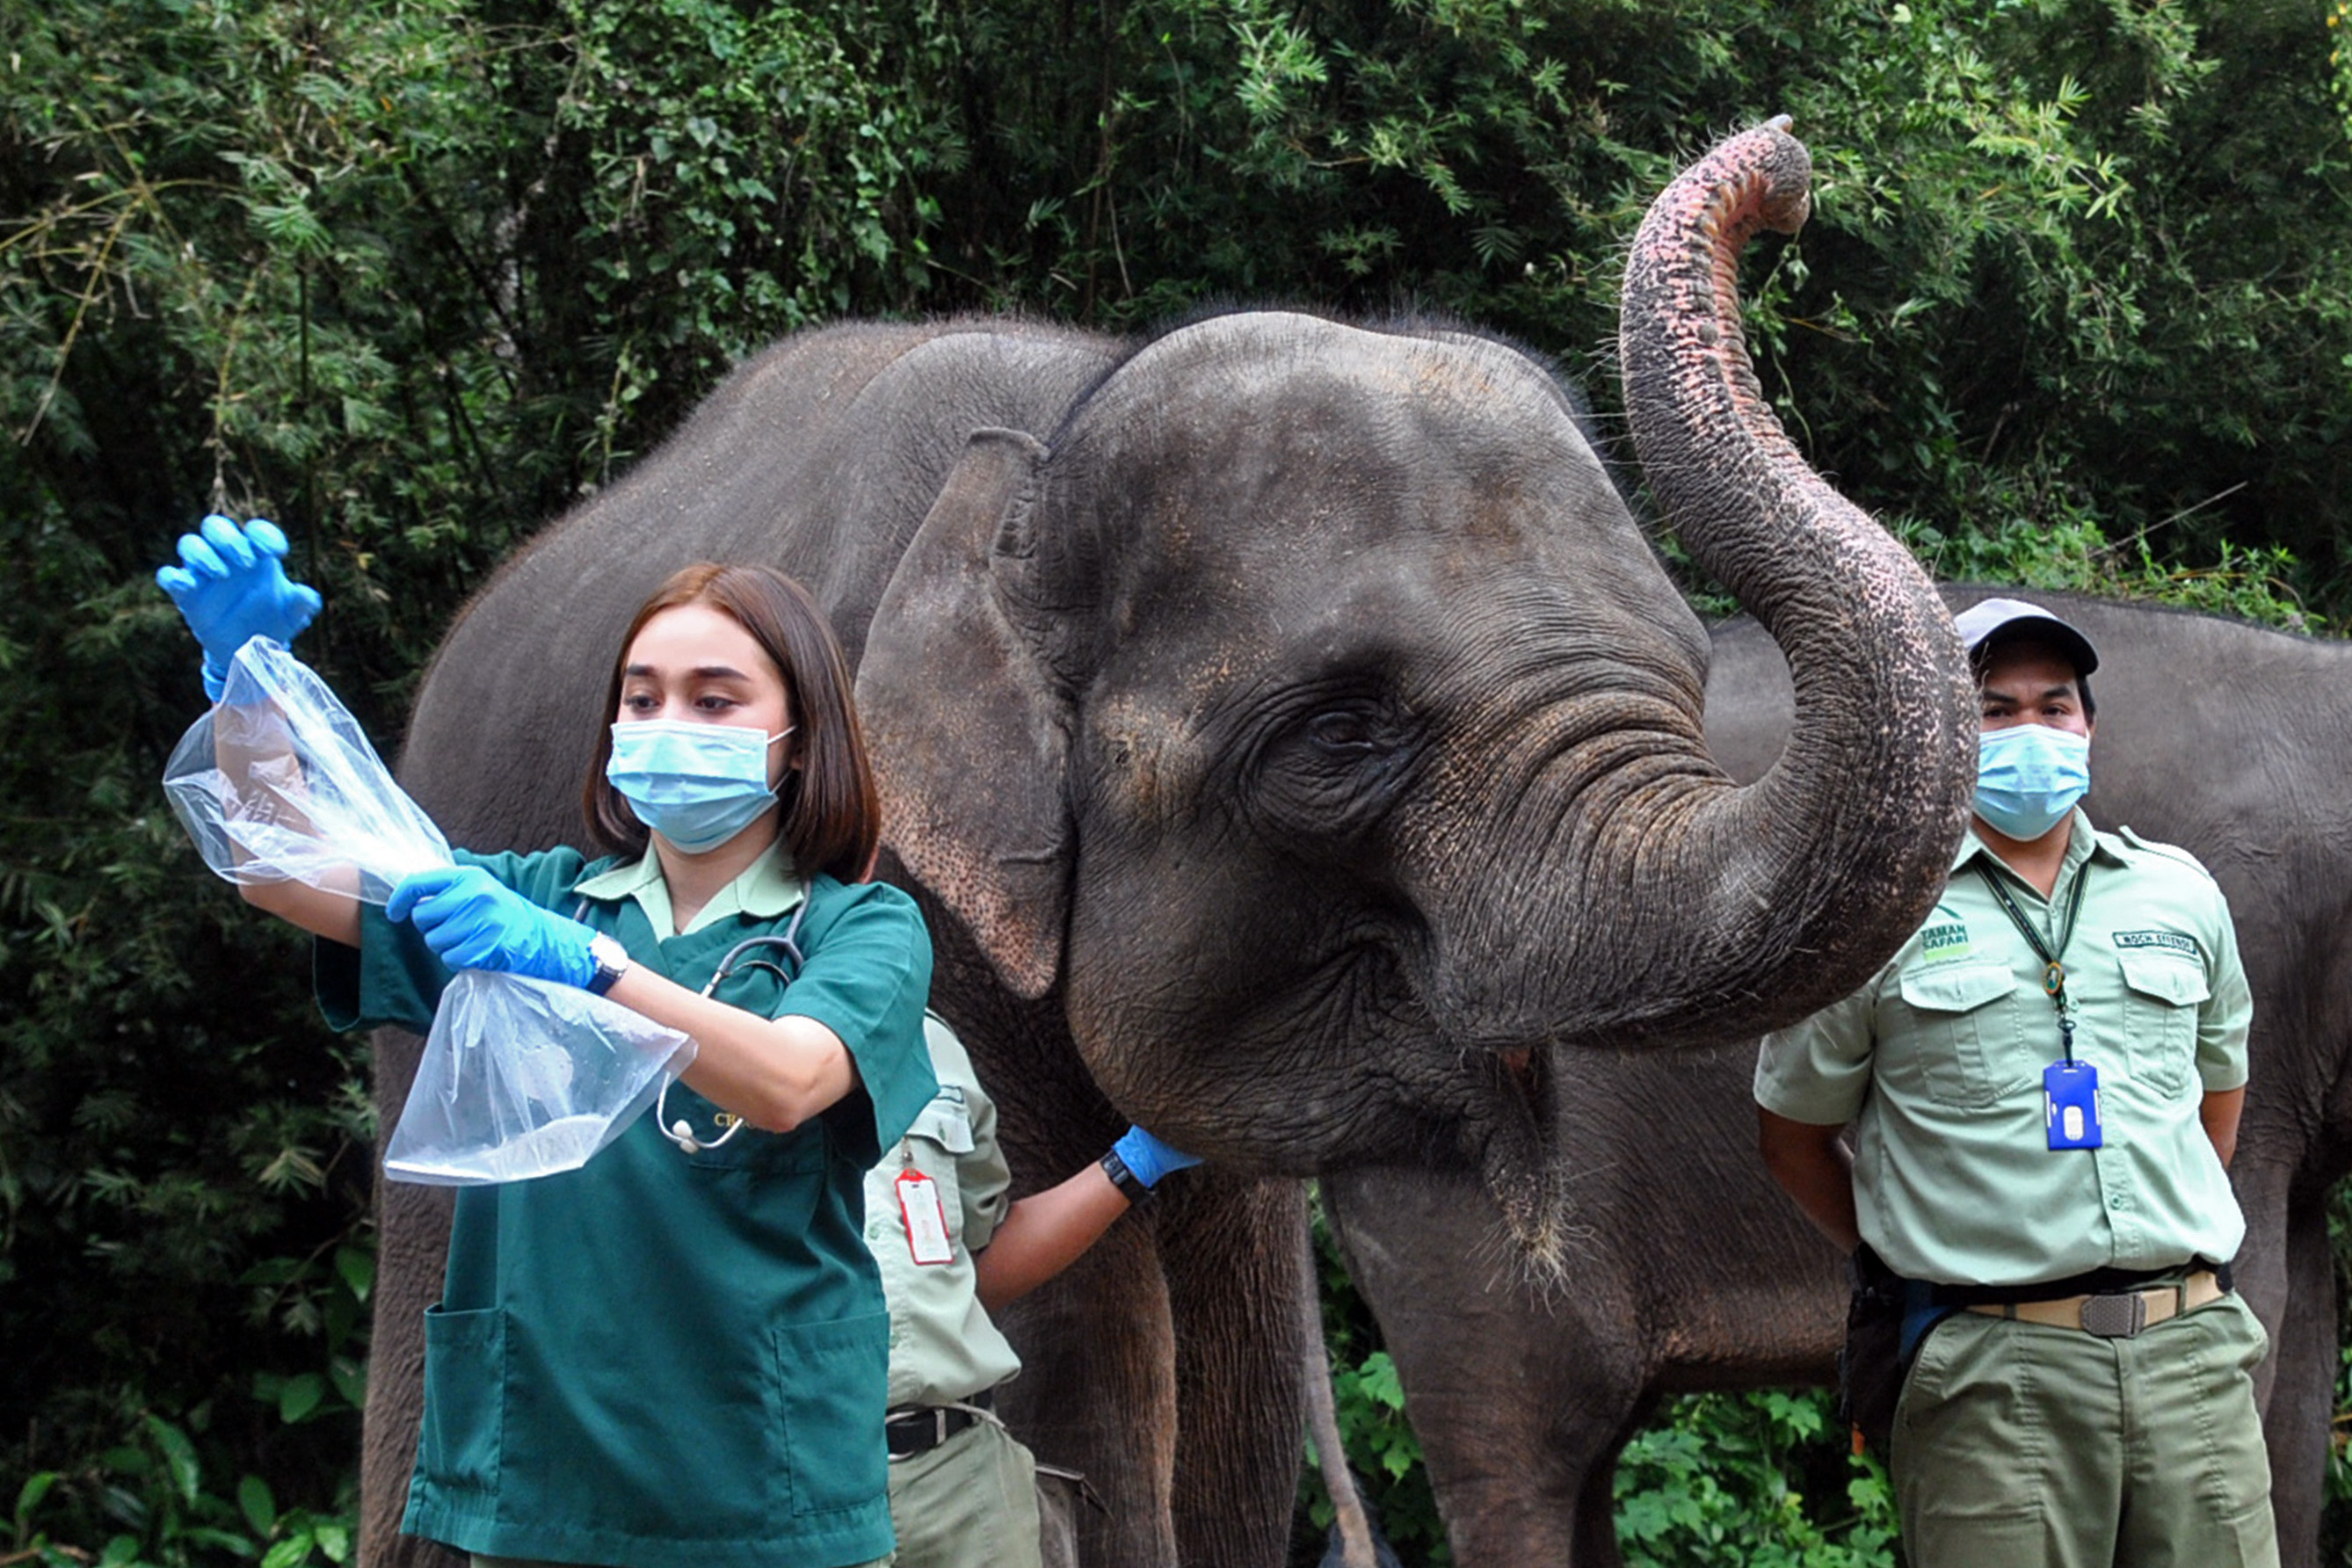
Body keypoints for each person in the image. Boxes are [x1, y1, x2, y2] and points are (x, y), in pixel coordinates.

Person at [156, 515, 937, 1568]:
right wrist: (246, 684)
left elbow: (790, 1079)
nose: (670, 721)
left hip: (760, 1479)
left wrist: (589, 965)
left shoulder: (860, 925)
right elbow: (281, 866)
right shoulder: (526, 899)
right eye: (642, 695)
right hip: (543, 1476)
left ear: (799, 736)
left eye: (716, 699)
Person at [1753, 596, 2276, 1567]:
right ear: (1949, 733)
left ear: (2089, 724)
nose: (2032, 730)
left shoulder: (2180, 891)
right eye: (1995, 709)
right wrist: (1917, 1250)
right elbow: (1790, 1134)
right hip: (1995, 1370)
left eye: (2054, 705)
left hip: (2191, 1356)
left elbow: (2217, 1112)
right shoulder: (1874, 911)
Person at [868, 1013, 1197, 1568]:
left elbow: (970, 1278)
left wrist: (1136, 1162)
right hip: (783, 1486)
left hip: (959, 1484)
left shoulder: (926, 1040)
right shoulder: (691, 1037)